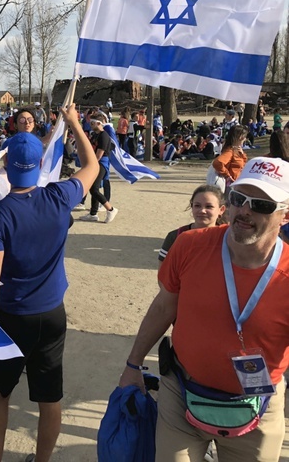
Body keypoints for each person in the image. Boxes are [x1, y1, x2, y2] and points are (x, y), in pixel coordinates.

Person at [119, 156, 289, 462]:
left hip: (257, 406)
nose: (245, 211)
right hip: (181, 393)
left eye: (261, 205)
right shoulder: (189, 245)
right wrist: (133, 364)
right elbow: (163, 308)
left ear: (285, 215)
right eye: (239, 199)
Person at [0, 104, 99, 462]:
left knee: (0, 391)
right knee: (50, 398)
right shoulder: (59, 197)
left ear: (6, 166)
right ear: (39, 164)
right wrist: (76, 124)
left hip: (12, 316)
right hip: (51, 313)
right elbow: (92, 167)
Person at [158, 185, 226, 263]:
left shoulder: (227, 238)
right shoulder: (175, 236)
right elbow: (164, 272)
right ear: (192, 206)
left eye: (209, 206)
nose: (202, 211)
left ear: (221, 210)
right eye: (197, 206)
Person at [78, 113, 119, 224]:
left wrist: (91, 165)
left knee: (94, 189)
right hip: (95, 163)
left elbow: (99, 154)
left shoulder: (103, 135)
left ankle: (110, 209)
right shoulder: (95, 135)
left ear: (99, 123)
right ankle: (93, 213)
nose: (90, 125)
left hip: (101, 164)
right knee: (92, 187)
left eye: (92, 123)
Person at [212, 124, 248, 191]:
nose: (245, 139)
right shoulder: (230, 151)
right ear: (241, 137)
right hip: (231, 186)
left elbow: (243, 164)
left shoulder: (236, 150)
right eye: (245, 137)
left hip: (237, 184)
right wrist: (227, 175)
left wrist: (242, 154)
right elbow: (217, 163)